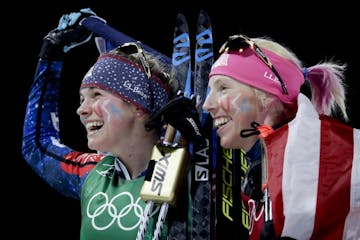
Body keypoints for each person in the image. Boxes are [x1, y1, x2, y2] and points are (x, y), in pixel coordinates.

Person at [22, 8, 204, 240]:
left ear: (139, 106)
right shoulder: (94, 172)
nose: (82, 110)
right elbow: (36, 145)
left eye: (97, 95)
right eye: (81, 99)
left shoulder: (191, 170)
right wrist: (51, 56)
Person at [203, 34, 359, 239]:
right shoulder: (267, 165)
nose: (207, 105)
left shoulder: (331, 155)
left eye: (223, 88)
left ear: (266, 95)